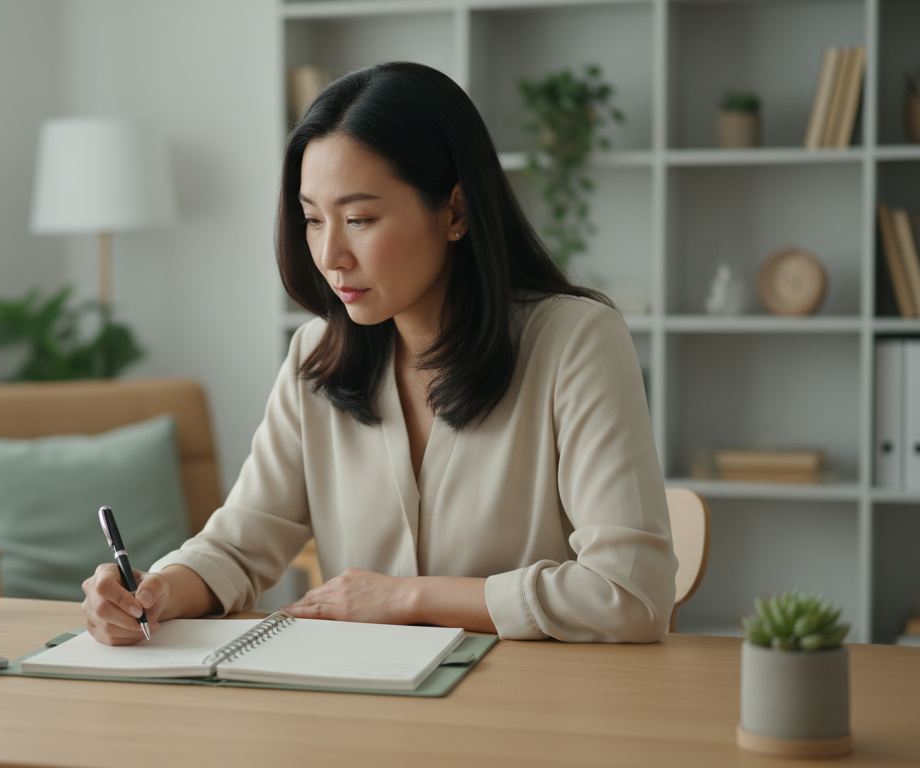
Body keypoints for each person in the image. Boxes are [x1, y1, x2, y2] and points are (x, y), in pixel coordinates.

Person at [82, 62, 677, 645]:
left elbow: (630, 593)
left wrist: (407, 598)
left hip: (528, 698)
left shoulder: (576, 341)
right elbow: (239, 545)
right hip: (366, 696)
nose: (330, 255)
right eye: (313, 219)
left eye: (359, 218)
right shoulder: (316, 354)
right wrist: (154, 592)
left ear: (456, 211)